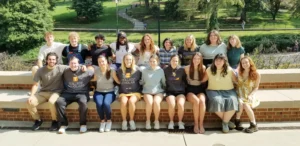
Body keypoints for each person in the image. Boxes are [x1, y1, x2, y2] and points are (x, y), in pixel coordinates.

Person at [26, 52, 68, 131]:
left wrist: (83, 66)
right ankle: (38, 120)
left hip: (56, 92)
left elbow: (74, 66)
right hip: (43, 92)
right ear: (46, 60)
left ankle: (55, 121)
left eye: (53, 59)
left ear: (56, 60)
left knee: (51, 102)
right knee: (30, 102)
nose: (51, 61)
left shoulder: (61, 68)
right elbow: (35, 85)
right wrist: (31, 95)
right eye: (49, 59)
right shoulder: (41, 70)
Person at [201, 53, 238, 133]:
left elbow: (236, 81)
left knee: (233, 101)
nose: (218, 62)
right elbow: (203, 80)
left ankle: (225, 122)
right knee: (216, 101)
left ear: (224, 61)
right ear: (214, 61)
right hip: (213, 90)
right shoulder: (209, 69)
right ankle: (226, 121)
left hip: (229, 90)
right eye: (217, 60)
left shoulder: (229, 69)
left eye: (220, 60)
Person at [56, 56, 93, 134]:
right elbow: (56, 67)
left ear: (79, 64)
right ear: (69, 64)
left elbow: (93, 71)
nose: (73, 65)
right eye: (72, 63)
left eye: (75, 63)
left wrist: (86, 67)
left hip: (81, 93)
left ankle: (83, 124)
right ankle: (64, 124)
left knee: (83, 103)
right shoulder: (65, 71)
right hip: (68, 93)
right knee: (59, 102)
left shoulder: (85, 70)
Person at [93, 56, 120, 132]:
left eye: (103, 61)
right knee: (99, 103)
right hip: (99, 92)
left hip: (110, 92)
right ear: (98, 63)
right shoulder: (96, 70)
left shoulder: (112, 71)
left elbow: (117, 81)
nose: (101, 63)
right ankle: (102, 121)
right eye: (99, 62)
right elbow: (93, 79)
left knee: (106, 103)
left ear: (106, 62)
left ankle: (108, 120)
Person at [235, 56, 261, 133]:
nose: (245, 64)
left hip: (249, 94)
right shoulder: (239, 72)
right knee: (240, 103)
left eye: (246, 62)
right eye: (243, 63)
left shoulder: (256, 74)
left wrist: (251, 95)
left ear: (250, 63)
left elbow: (256, 87)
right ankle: (237, 122)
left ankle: (253, 124)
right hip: (239, 93)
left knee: (246, 105)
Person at [116, 53, 142, 131]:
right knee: (124, 102)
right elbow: (117, 81)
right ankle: (124, 121)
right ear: (124, 60)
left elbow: (142, 81)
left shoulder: (138, 70)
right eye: (126, 59)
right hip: (123, 92)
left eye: (130, 59)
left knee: (131, 101)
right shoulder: (120, 70)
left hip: (135, 92)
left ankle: (131, 121)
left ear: (133, 60)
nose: (128, 61)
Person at [141, 54, 166, 130]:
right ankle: (148, 121)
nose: (152, 63)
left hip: (158, 92)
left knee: (156, 102)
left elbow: (163, 82)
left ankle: (156, 120)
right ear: (149, 62)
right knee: (149, 102)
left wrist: (165, 91)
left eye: (154, 61)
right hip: (147, 91)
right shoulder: (144, 71)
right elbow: (142, 82)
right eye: (151, 61)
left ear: (157, 62)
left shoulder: (161, 71)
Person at [184, 53, 206, 134]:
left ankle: (201, 124)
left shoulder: (203, 68)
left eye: (198, 59)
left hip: (199, 89)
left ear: (201, 60)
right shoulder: (187, 68)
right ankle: (196, 124)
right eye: (194, 58)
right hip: (190, 89)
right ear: (192, 59)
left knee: (202, 102)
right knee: (196, 101)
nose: (196, 60)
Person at [164, 55, 186, 130]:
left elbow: (185, 80)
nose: (174, 62)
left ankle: (180, 122)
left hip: (180, 92)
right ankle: (171, 122)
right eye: (173, 60)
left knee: (180, 104)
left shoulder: (182, 70)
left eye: (176, 61)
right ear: (170, 61)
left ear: (178, 62)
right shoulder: (165, 70)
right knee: (172, 104)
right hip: (170, 92)